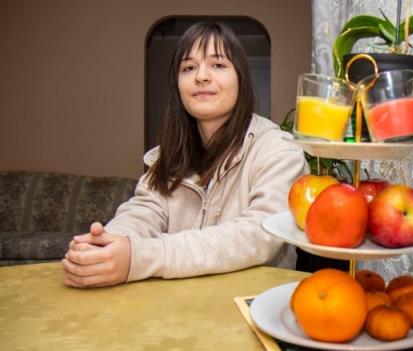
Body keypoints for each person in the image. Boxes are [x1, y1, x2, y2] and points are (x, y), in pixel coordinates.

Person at [61, 21, 307, 288]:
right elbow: (142, 212)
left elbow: (259, 235)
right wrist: (106, 247)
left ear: (241, 79)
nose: (201, 76)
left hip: (252, 306)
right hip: (177, 310)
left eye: (218, 65)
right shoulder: (166, 157)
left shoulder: (279, 149)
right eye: (189, 68)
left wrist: (141, 257)